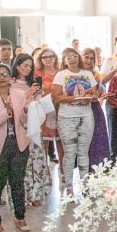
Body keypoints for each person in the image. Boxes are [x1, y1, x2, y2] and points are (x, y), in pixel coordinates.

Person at [0, 63, 32, 232]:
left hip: (18, 143)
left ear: (10, 77)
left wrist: (25, 110)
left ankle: (20, 216)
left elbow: (24, 121)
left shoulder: (19, 94)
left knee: (17, 182)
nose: (2, 78)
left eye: (5, 74)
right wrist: (7, 111)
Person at [52, 48, 100, 192]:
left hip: (86, 115)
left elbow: (96, 93)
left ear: (78, 57)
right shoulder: (61, 75)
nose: (72, 59)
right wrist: (74, 98)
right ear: (64, 61)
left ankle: (85, 186)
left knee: (84, 152)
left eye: (74, 56)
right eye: (68, 57)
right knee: (70, 152)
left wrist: (91, 94)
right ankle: (69, 187)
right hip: (67, 117)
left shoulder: (87, 74)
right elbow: (57, 97)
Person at [11, 54, 50, 207]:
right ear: (17, 66)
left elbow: (39, 102)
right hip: (18, 126)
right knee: (23, 161)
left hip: (34, 124)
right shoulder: (11, 83)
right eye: (25, 65)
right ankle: (23, 194)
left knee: (37, 159)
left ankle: (37, 193)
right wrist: (27, 95)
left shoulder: (33, 83)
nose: (28, 68)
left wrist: (41, 98)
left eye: (30, 66)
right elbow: (12, 104)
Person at [82, 48, 110, 169]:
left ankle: (99, 166)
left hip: (94, 107)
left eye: (92, 58)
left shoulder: (95, 74)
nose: (89, 60)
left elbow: (99, 92)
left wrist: (101, 93)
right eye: (86, 57)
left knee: (98, 137)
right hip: (81, 108)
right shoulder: (75, 73)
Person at [36, 47, 63, 168]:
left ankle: (63, 170)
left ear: (55, 58)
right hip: (44, 110)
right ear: (40, 59)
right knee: (44, 142)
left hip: (60, 109)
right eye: (44, 57)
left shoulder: (61, 72)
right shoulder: (37, 73)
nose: (48, 59)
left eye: (50, 56)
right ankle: (45, 173)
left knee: (61, 141)